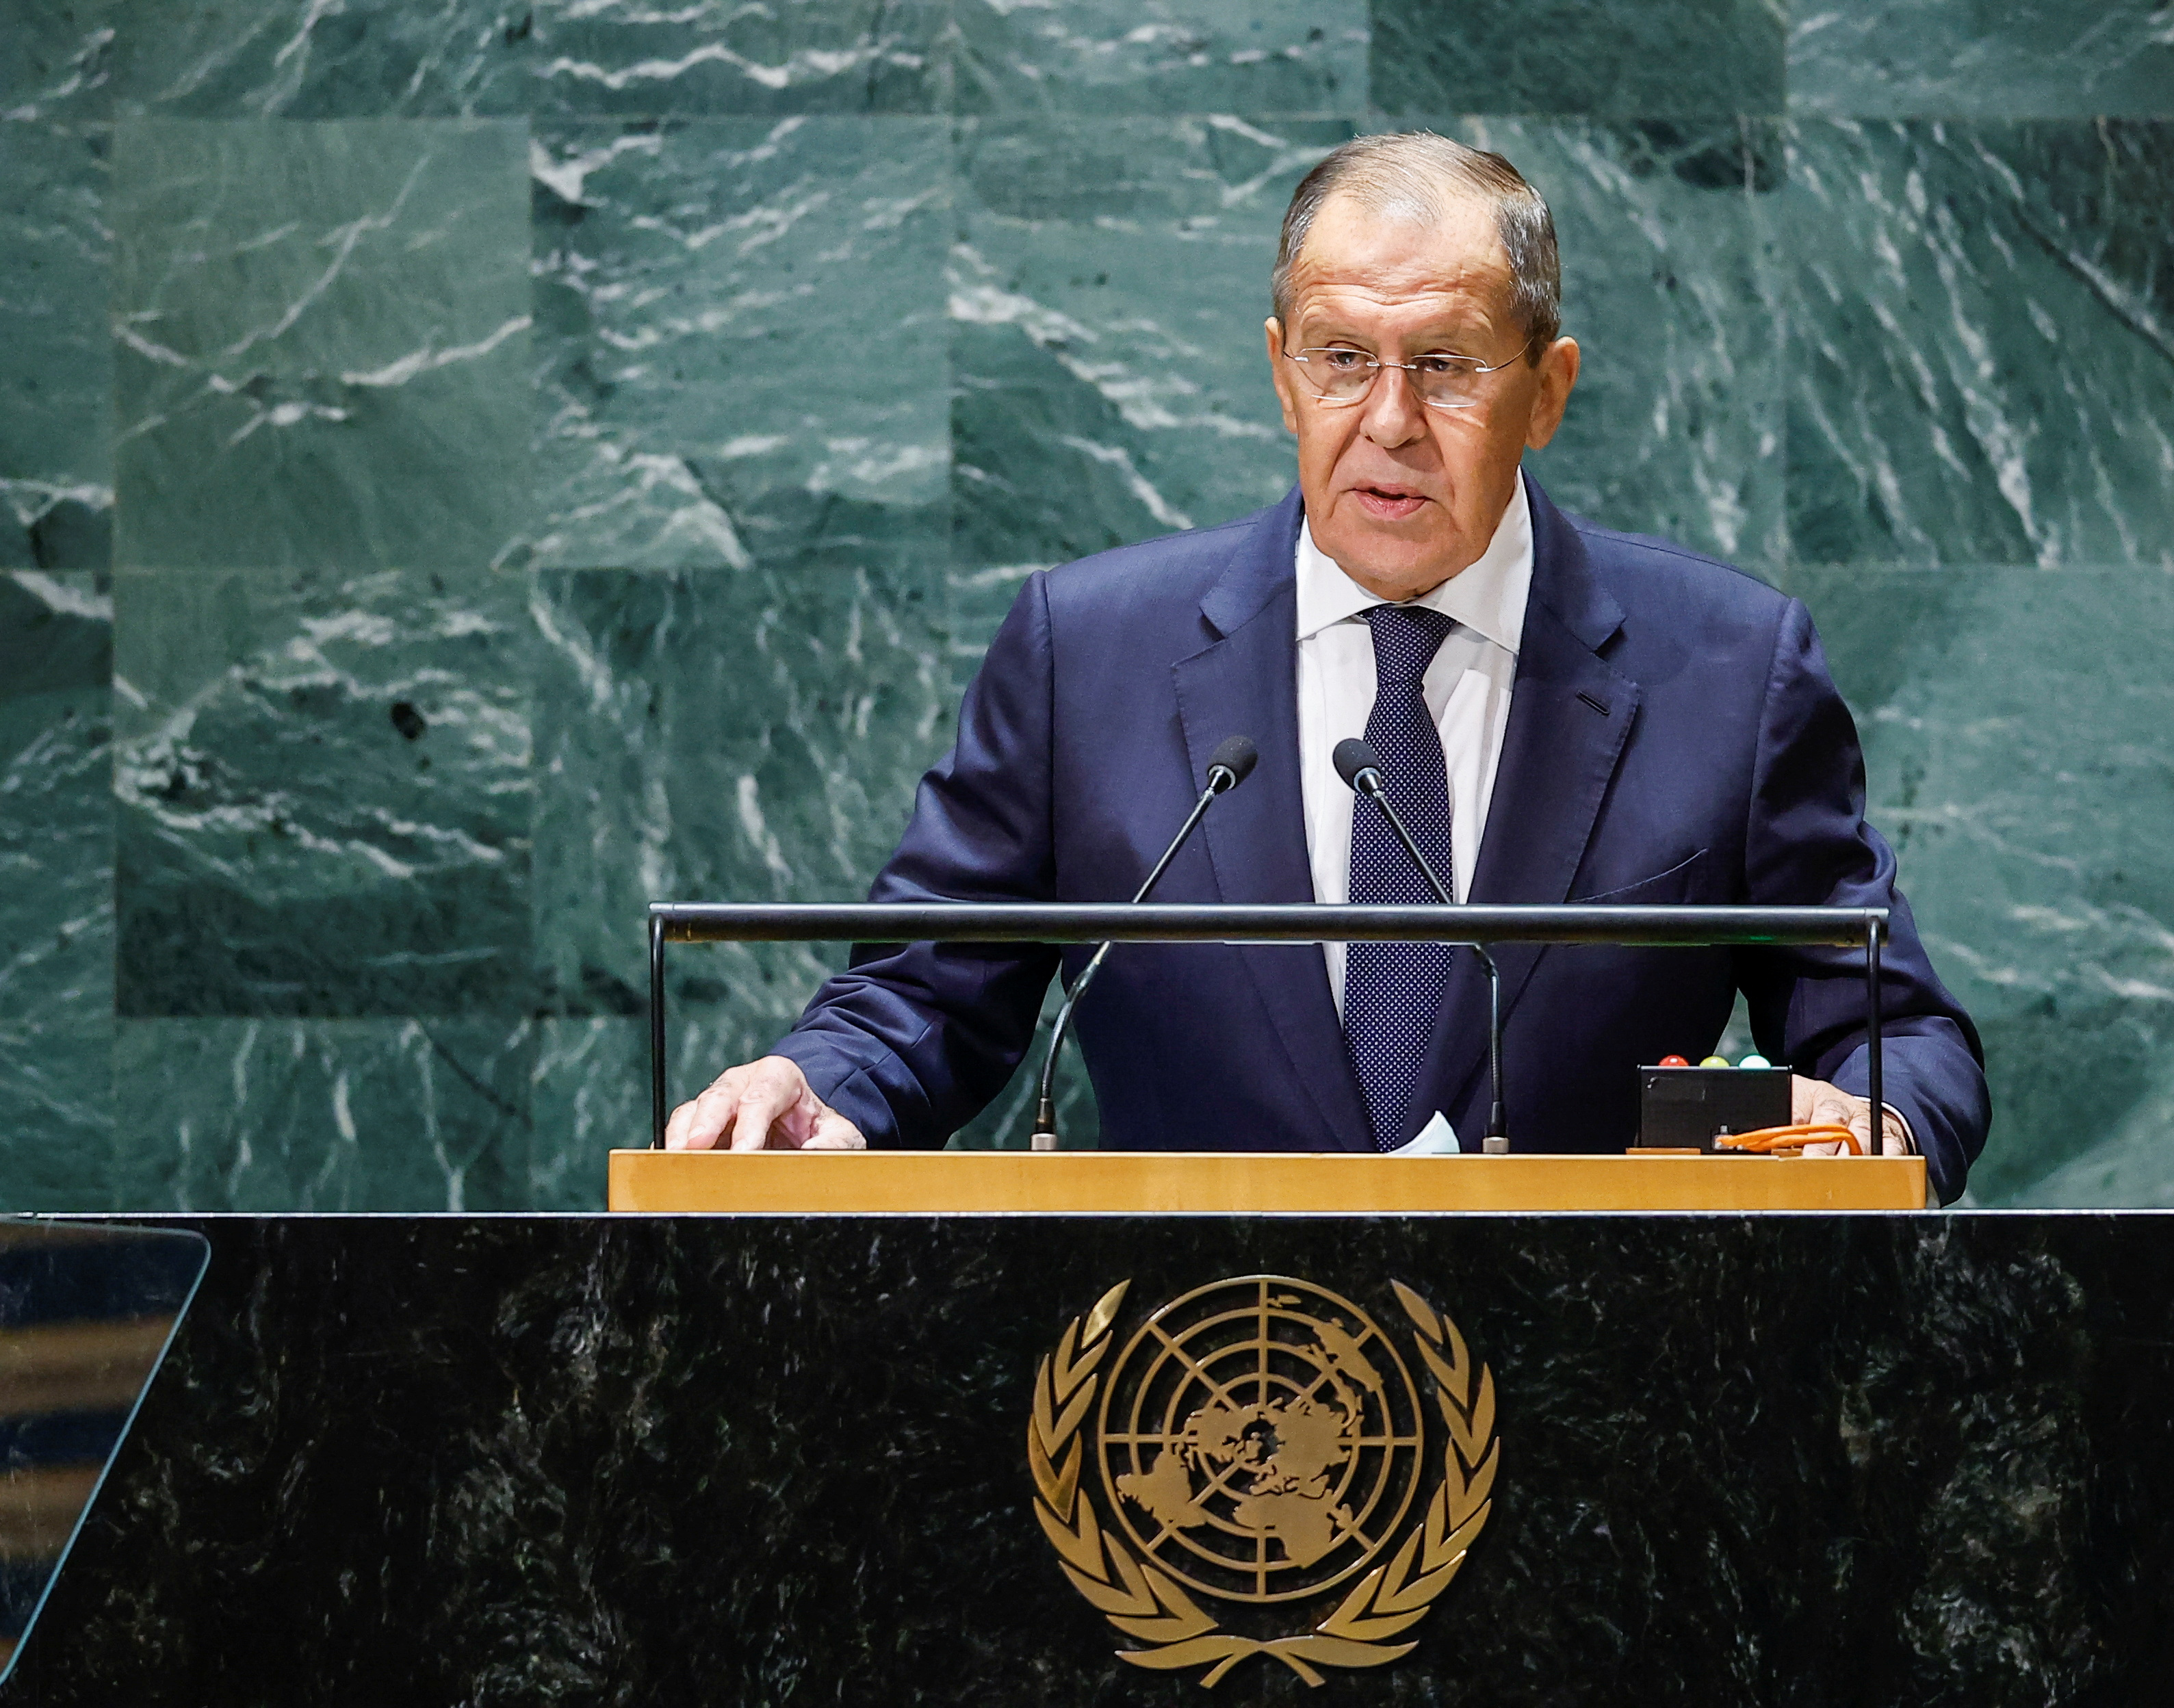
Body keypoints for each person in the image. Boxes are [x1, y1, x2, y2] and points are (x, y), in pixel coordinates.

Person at [666, 132, 1991, 1198]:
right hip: (1186, 1390)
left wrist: (1873, 1123)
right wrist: (813, 1086)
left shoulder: (1726, 666)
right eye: (1343, 361)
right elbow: (928, 987)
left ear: (1549, 389)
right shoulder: (1090, 652)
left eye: (1447, 366)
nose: (1392, 422)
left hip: (1603, 1397)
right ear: (1281, 376)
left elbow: (1894, 1028)